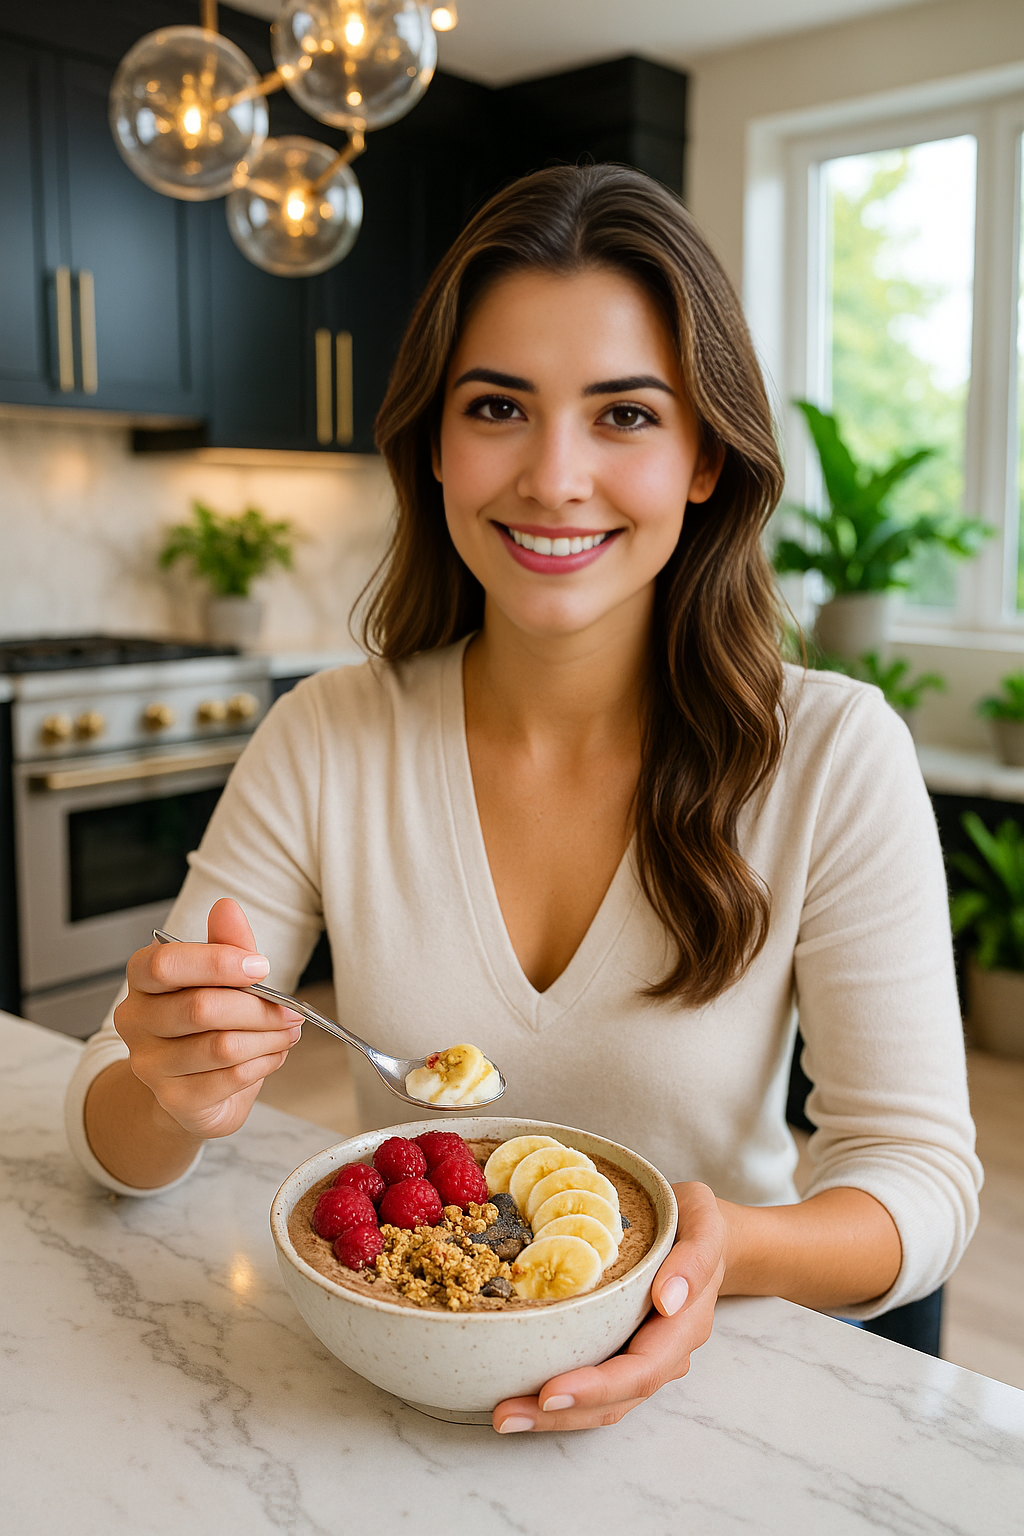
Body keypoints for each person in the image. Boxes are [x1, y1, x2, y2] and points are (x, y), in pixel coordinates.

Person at [65, 164, 981, 1434]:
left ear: (705, 455)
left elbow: (919, 1183)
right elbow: (114, 1130)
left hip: (717, 1405)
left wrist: (721, 1248)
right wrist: (171, 1083)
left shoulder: (829, 752)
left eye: (624, 416)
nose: (554, 478)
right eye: (499, 406)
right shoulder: (328, 737)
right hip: (400, 1402)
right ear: (434, 442)